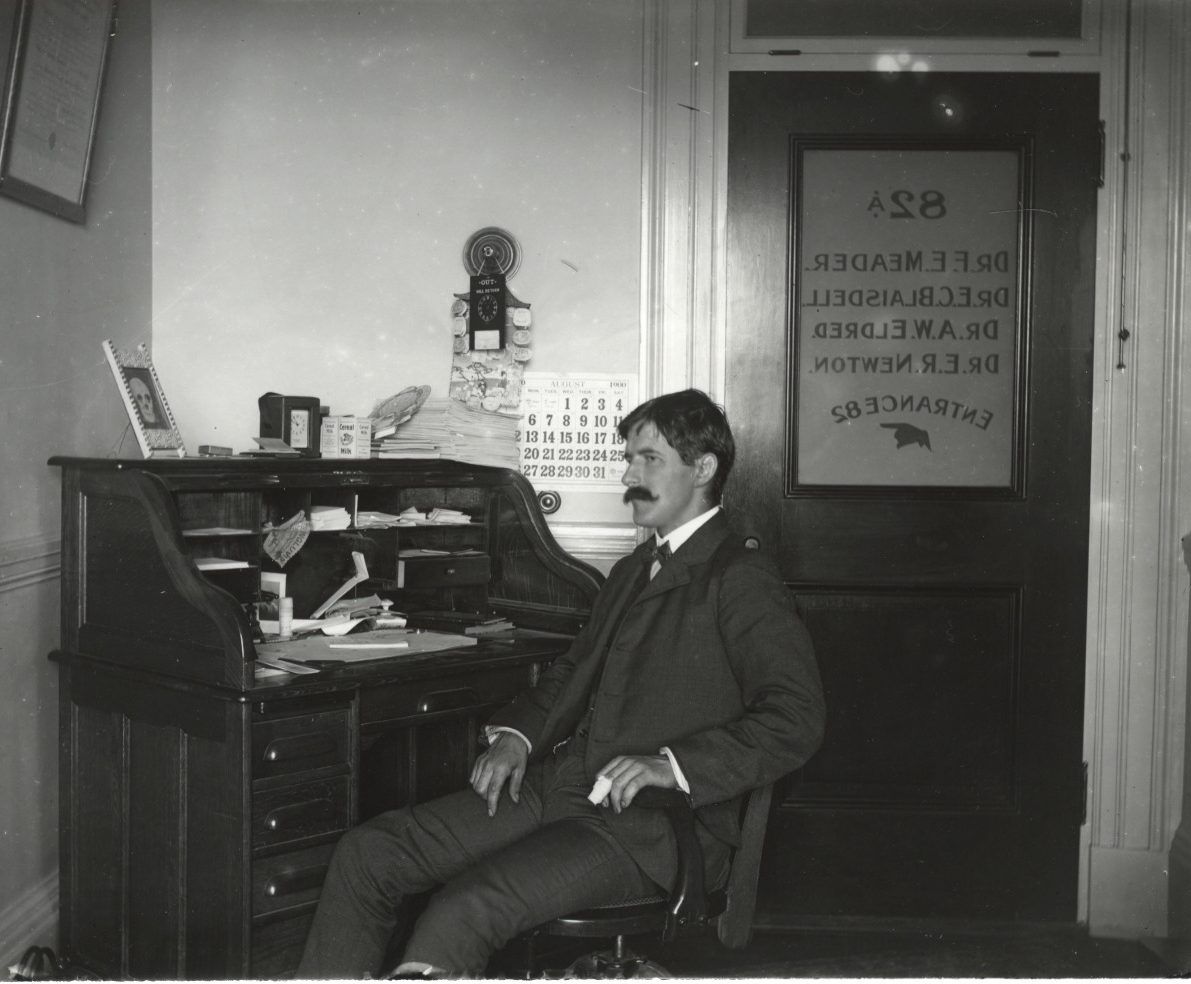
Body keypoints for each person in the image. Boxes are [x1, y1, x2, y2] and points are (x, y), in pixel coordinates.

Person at [296, 388, 825, 979]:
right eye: (629, 459)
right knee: (370, 854)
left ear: (703, 469)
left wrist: (670, 765)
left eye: (650, 460)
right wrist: (517, 737)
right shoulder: (631, 570)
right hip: (561, 783)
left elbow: (796, 717)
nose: (629, 476)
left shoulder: (741, 576)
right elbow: (575, 670)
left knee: (461, 911)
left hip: (650, 826)